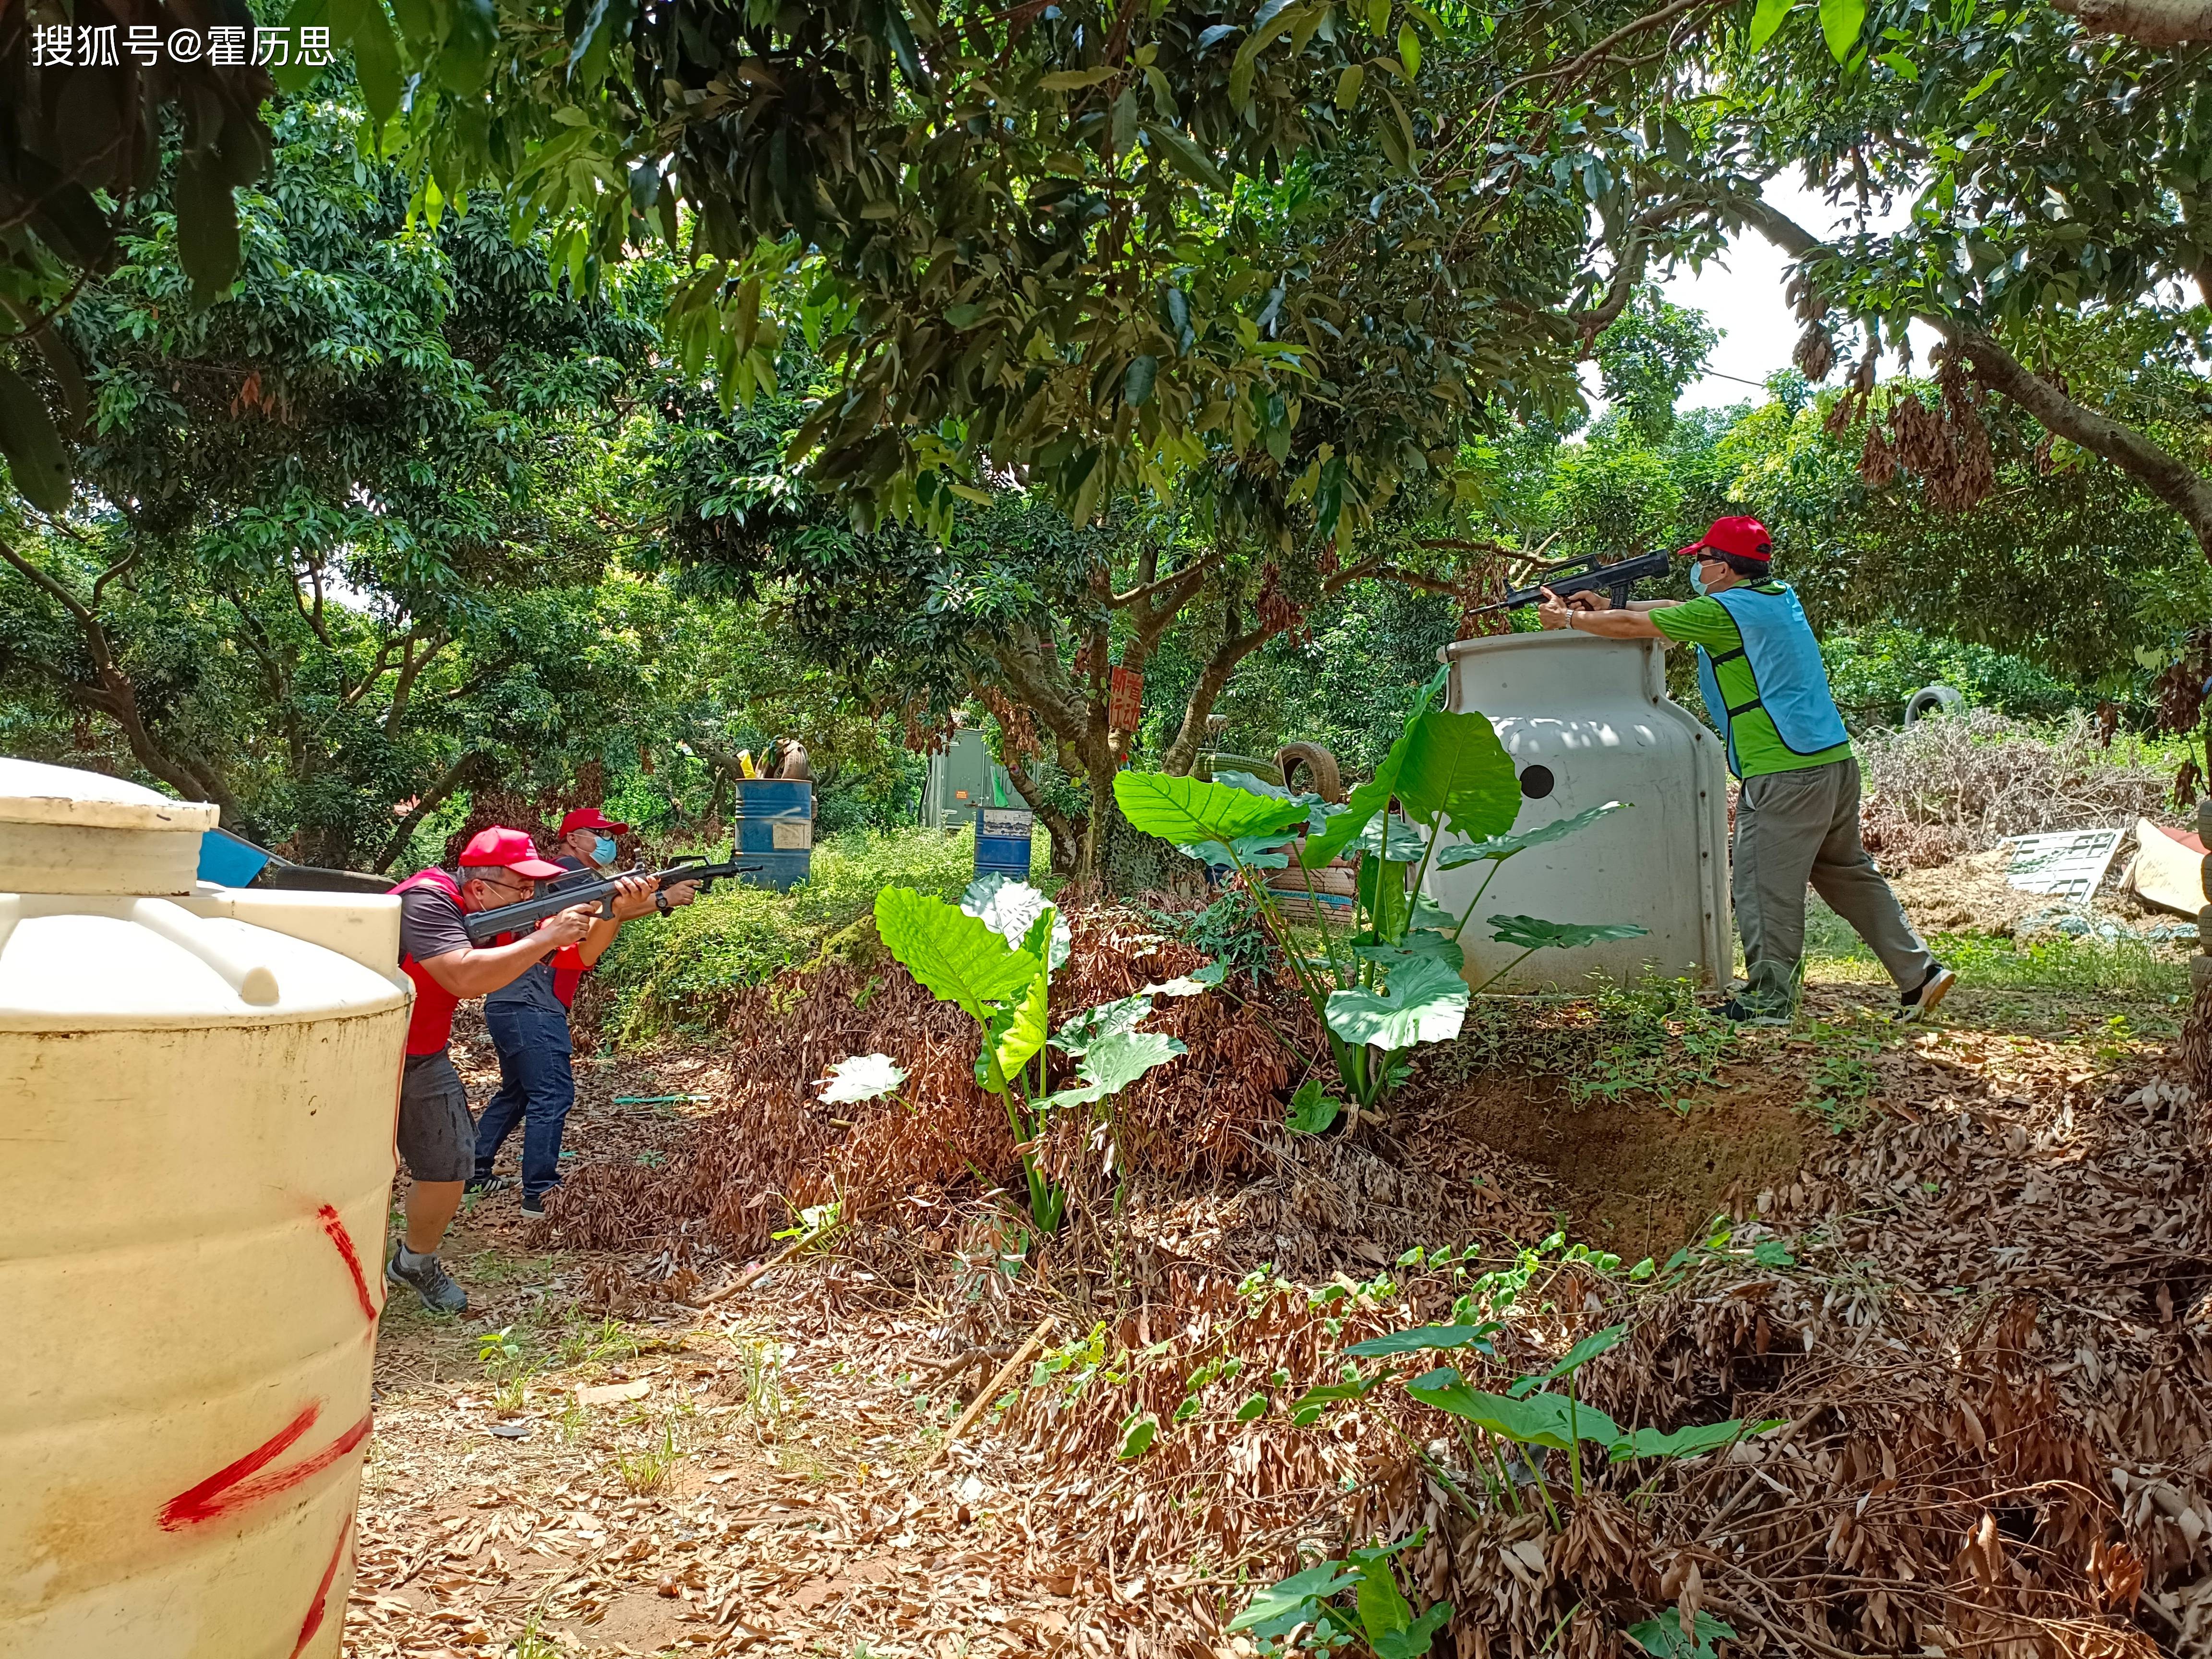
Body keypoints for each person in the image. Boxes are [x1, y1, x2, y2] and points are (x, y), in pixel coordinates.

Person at [1537, 515, 1955, 1026]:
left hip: (1783, 770)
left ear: (1726, 567)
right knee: (1848, 874)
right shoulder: (1776, 597)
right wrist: (1606, 606)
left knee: (1762, 886)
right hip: (1832, 762)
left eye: (1704, 560)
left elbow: (1637, 628)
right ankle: (1920, 972)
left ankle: (1769, 1003)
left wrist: (1572, 620)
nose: (1698, 566)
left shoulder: (1726, 610)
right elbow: (1674, 612)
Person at [389, 828, 654, 1312]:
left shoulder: (495, 914)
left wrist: (613, 911)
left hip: (423, 1052)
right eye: (523, 887)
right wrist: (550, 933)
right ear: (480, 887)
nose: (533, 896)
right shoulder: (426, 902)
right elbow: (464, 975)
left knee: (452, 1164)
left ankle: (414, 1262)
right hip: (361, 1051)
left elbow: (583, 955)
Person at [469, 807, 696, 1219]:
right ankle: (541, 1192)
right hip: (533, 999)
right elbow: (603, 917)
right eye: (599, 833)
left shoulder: (569, 876)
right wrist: (662, 898)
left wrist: (657, 897)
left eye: (611, 833)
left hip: (516, 998)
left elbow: (605, 917)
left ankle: (473, 1168)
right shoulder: (568, 874)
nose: (607, 840)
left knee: (519, 1092)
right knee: (552, 1094)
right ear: (573, 838)